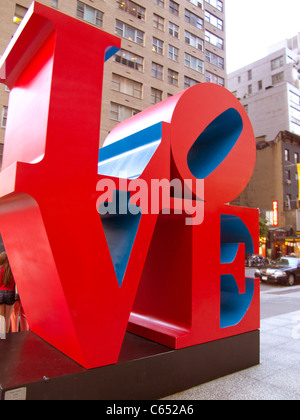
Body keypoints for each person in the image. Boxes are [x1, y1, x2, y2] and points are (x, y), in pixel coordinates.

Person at [0, 252, 15, 339]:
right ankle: (6, 334)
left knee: (1, 317)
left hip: (0, 294)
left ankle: (2, 336)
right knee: (8, 317)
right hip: (10, 294)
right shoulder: (12, 270)